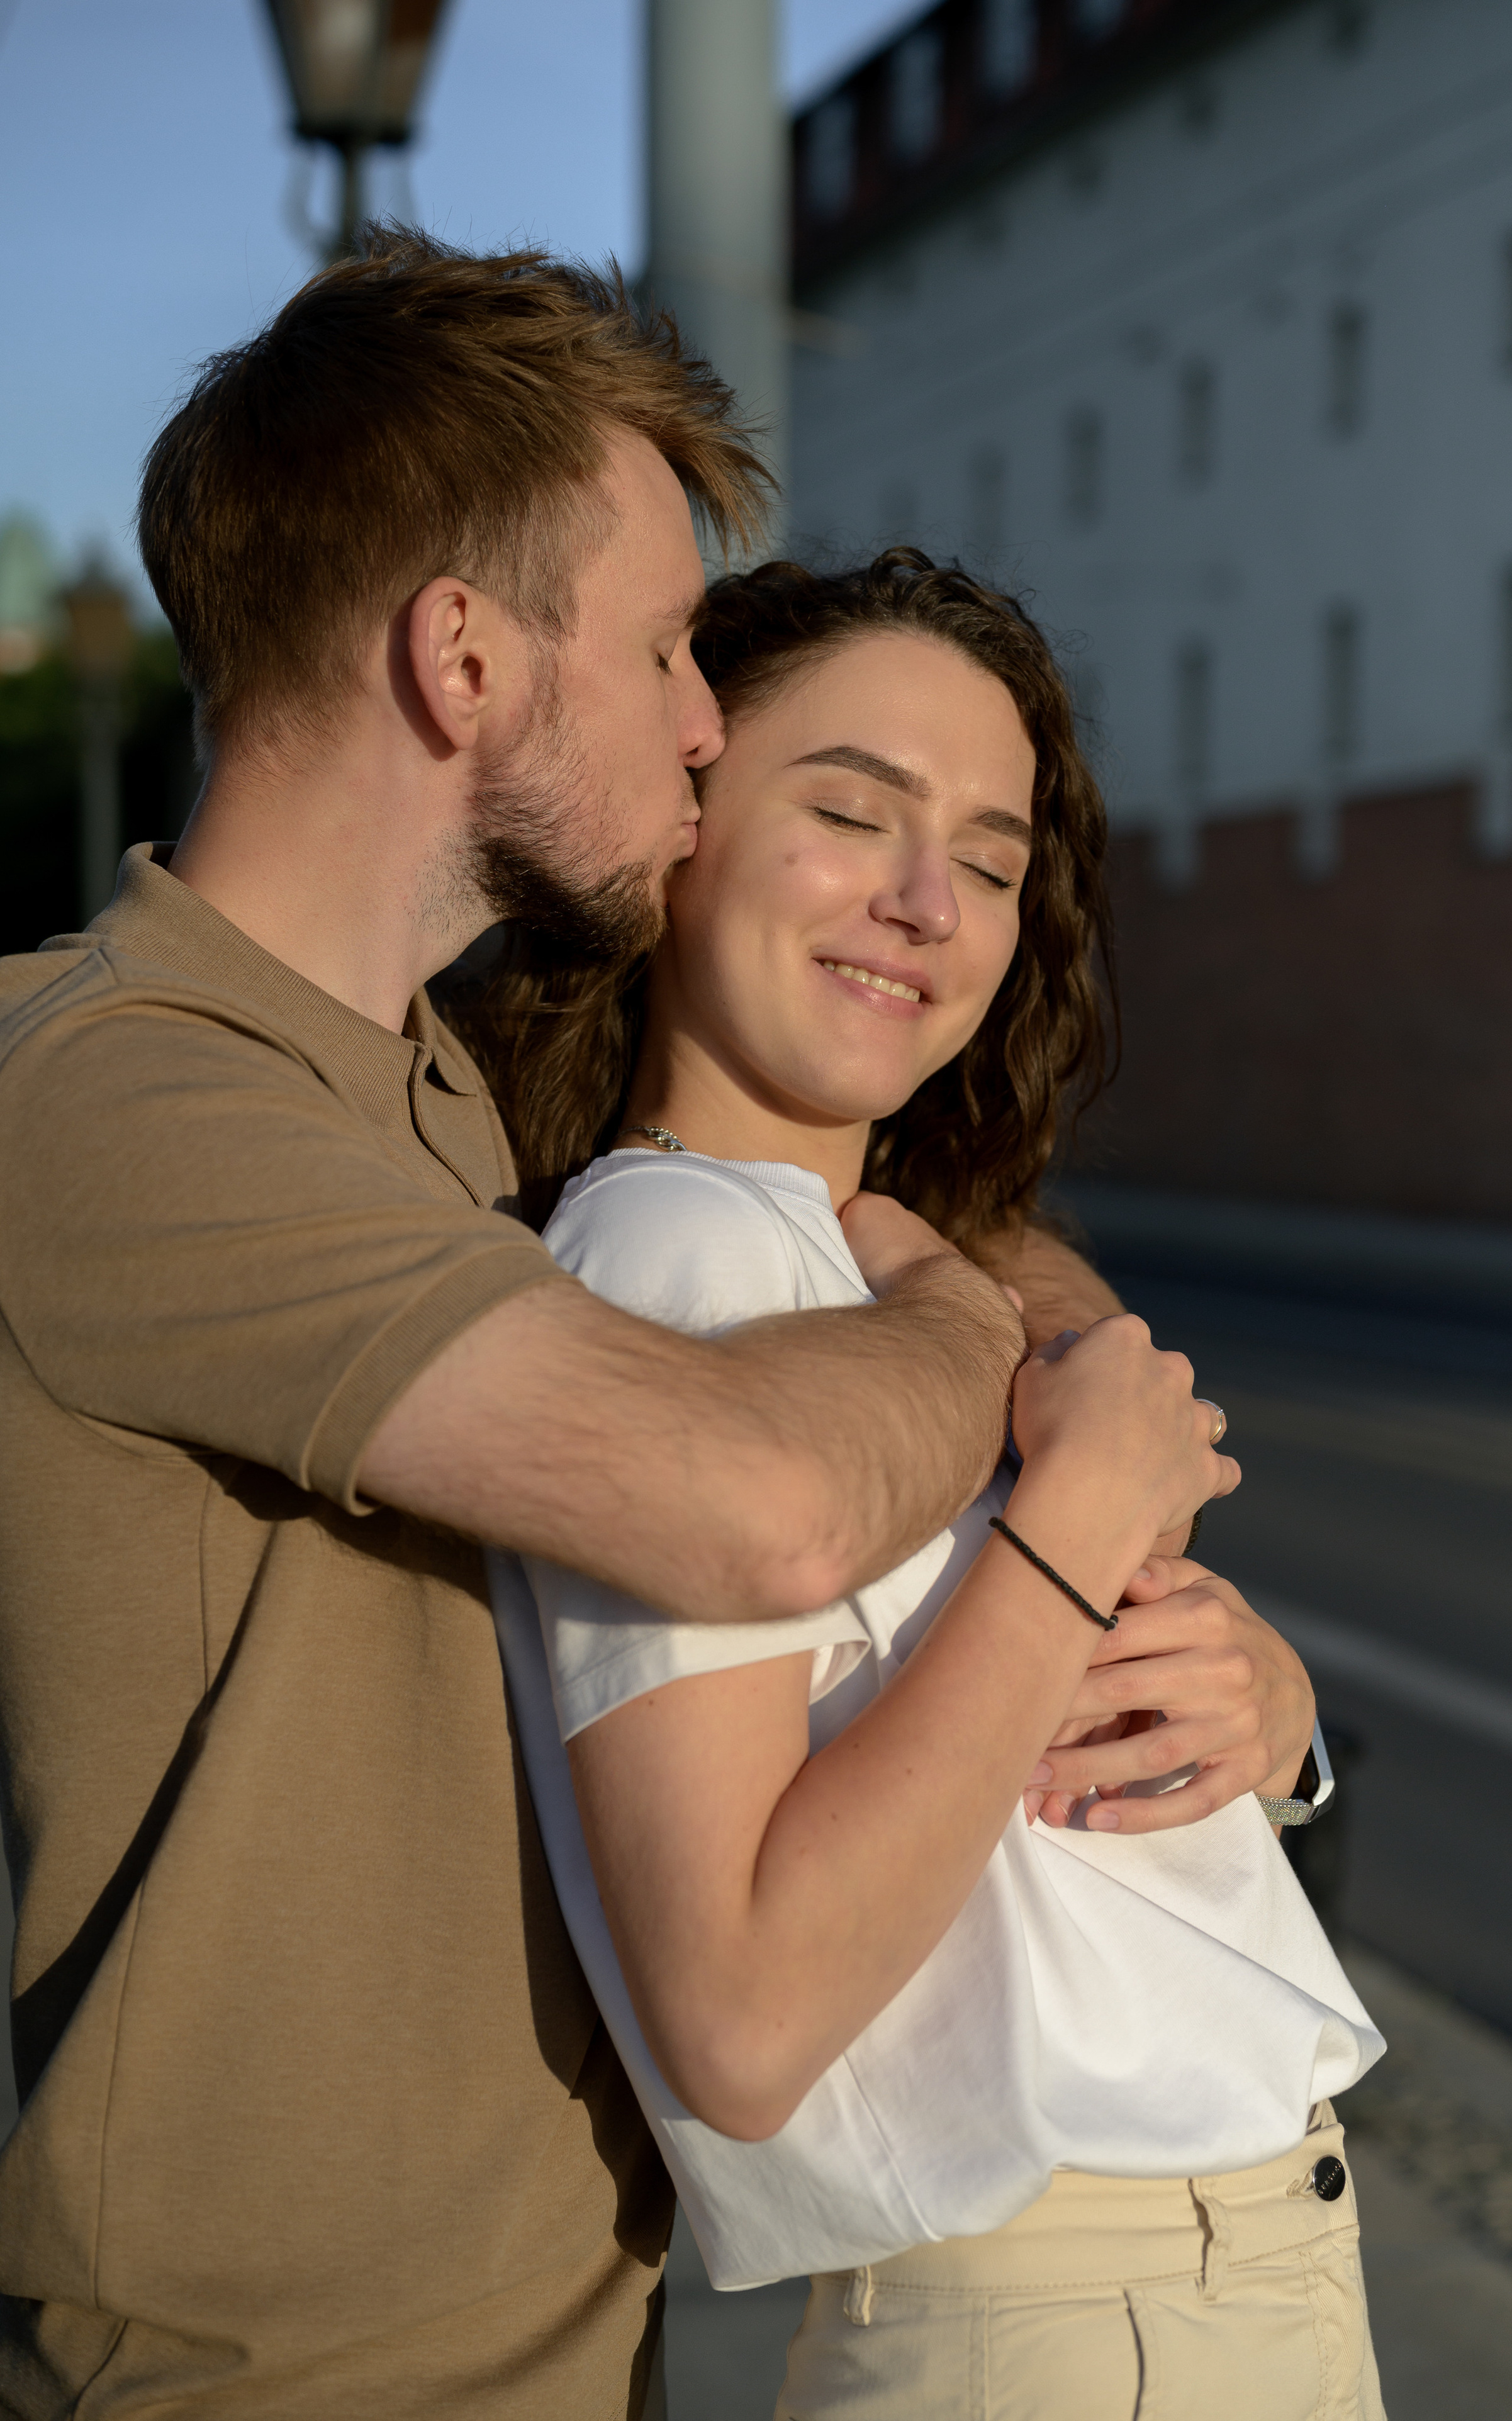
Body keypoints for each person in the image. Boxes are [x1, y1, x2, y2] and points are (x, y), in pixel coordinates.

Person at [0, 234, 1308, 2421]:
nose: (703, 725)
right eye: (671, 650)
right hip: (265, 2385)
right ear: (463, 660)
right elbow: (756, 1496)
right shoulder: (112, 1087)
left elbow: (838, 1234)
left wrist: (1242, 1654)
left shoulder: (415, 1102)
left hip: (561, 2356)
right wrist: (1045, 1418)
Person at [481, 553, 1385, 2420]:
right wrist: (1060, 1531)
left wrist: (1270, 1716)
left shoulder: (873, 1262)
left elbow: (1017, 1796)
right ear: (686, 809)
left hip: (1187, 2297)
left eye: (987, 859)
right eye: (849, 813)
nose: (925, 903)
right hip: (1078, 2328)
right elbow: (738, 2015)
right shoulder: (672, 1263)